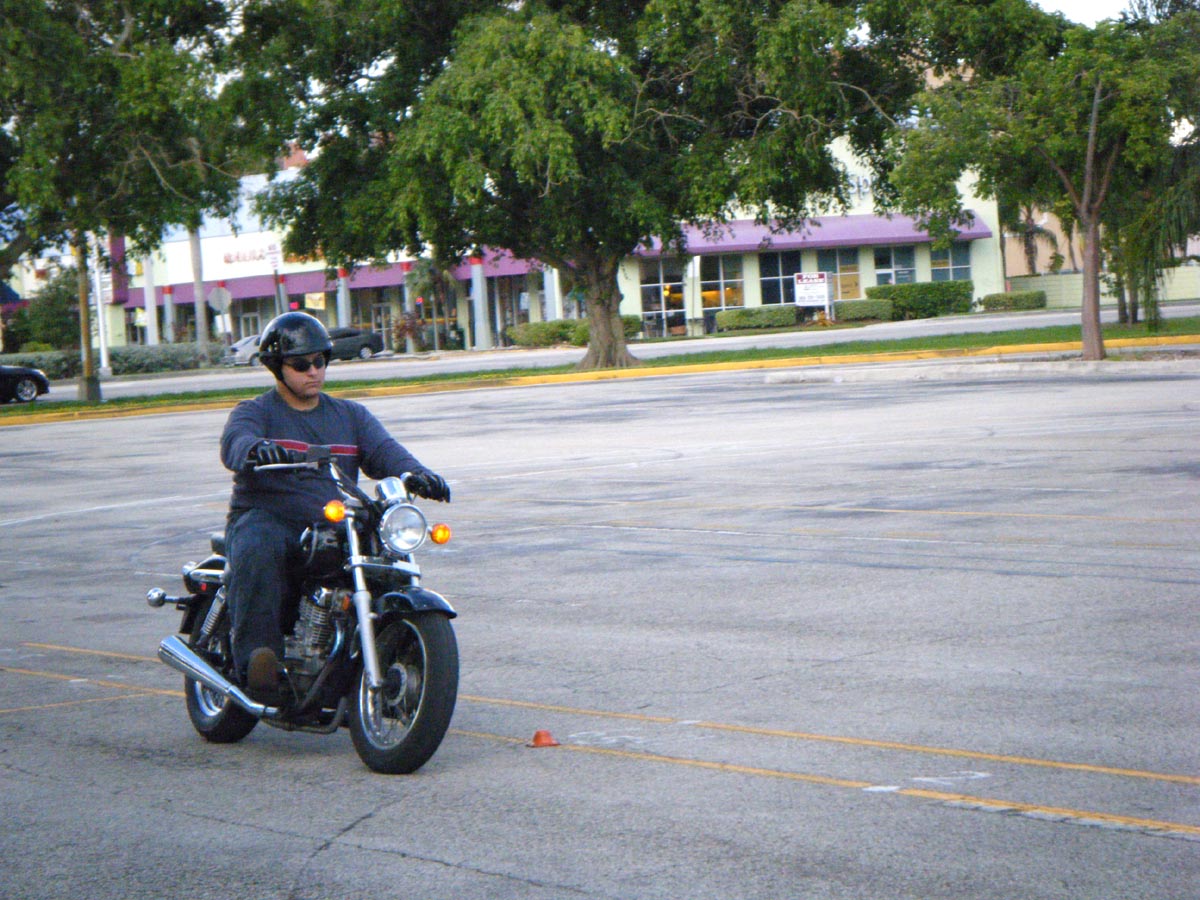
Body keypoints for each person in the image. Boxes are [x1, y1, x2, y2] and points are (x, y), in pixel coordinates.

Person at [219, 311, 449, 704]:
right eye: (300, 364)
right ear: (277, 367)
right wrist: (256, 449)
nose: (313, 371)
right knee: (260, 547)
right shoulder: (256, 411)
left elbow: (387, 452)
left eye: (319, 361)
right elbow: (235, 442)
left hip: (332, 521)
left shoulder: (350, 416)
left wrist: (418, 475)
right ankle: (258, 659)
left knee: (385, 557)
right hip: (268, 515)